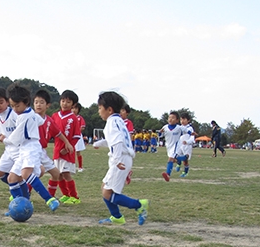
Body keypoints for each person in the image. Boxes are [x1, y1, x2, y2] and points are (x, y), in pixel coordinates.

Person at [94, 91, 148, 225]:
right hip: (124, 157)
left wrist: (117, 160)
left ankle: (138, 205)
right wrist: (100, 143)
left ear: (109, 109)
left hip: (121, 159)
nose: (99, 111)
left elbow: (117, 141)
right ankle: (116, 217)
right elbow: (115, 140)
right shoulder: (119, 121)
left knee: (107, 193)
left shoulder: (112, 122)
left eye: (100, 108)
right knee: (104, 188)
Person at [4, 84, 60, 212]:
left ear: (26, 102)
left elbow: (16, 137)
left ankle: (50, 200)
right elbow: (40, 121)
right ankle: (20, 205)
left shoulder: (24, 117)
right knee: (12, 178)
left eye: (17, 105)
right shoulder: (31, 113)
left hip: (31, 148)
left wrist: (5, 140)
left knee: (25, 174)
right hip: (24, 149)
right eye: (12, 106)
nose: (15, 109)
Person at [34, 89, 73, 198]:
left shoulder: (49, 120)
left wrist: (67, 143)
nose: (38, 105)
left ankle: (50, 198)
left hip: (41, 151)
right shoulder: (30, 117)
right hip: (31, 150)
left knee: (56, 173)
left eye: (41, 102)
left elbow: (58, 133)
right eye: (36, 102)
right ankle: (23, 195)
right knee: (34, 174)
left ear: (48, 105)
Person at [0, 86, 20, 193]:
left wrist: (9, 138)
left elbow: (21, 130)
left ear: (7, 102)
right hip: (8, 150)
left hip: (20, 150)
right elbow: (0, 132)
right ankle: (18, 188)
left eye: (1, 102)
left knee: (18, 175)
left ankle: (21, 193)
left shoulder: (14, 114)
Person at [52, 90, 82, 204]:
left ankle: (74, 196)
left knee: (66, 174)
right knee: (58, 174)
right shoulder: (55, 116)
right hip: (57, 150)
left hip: (67, 152)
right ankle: (65, 194)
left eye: (68, 102)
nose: (65, 104)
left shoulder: (73, 118)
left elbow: (76, 136)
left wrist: (69, 148)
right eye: (63, 101)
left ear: (73, 104)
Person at [159, 111, 186, 182]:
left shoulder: (179, 128)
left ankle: (168, 174)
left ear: (177, 120)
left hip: (176, 146)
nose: (170, 119)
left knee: (170, 159)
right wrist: (160, 133)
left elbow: (187, 131)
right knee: (174, 160)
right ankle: (183, 158)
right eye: (169, 117)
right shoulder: (165, 127)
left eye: (173, 118)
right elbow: (160, 135)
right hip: (168, 146)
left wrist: (191, 133)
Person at [175, 113, 196, 178]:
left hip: (187, 146)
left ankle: (185, 172)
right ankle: (178, 164)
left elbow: (192, 138)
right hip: (180, 145)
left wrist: (187, 142)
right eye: (181, 119)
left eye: (184, 119)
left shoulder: (190, 128)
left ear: (188, 120)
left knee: (185, 160)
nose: (182, 121)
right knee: (176, 155)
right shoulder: (179, 127)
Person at [72, 103, 86, 172]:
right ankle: (72, 166)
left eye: (75, 108)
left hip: (77, 137)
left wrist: (76, 131)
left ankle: (80, 167)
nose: (73, 110)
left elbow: (83, 127)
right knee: (71, 152)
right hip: (70, 136)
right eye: (72, 108)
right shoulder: (70, 117)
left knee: (78, 152)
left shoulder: (79, 118)